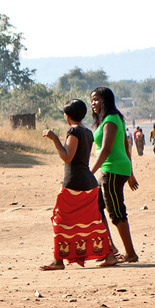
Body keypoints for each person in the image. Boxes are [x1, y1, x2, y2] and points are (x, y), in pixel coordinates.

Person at [39, 99, 112, 270]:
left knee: (60, 220)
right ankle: (108, 255)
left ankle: (58, 260)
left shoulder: (73, 131)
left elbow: (67, 157)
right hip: (89, 182)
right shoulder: (88, 132)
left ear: (67, 115)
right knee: (93, 220)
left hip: (74, 183)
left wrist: (54, 138)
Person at [91, 87, 139, 265]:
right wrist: (130, 173)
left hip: (112, 170)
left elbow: (106, 149)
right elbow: (125, 147)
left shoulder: (111, 119)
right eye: (92, 100)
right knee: (98, 204)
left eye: (96, 99)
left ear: (105, 100)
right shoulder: (114, 118)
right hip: (116, 169)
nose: (93, 103)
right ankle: (110, 248)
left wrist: (91, 172)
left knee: (116, 211)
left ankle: (130, 253)